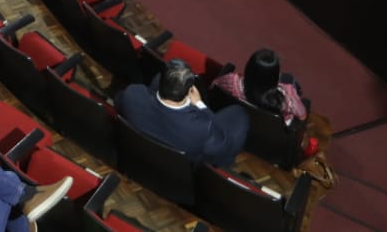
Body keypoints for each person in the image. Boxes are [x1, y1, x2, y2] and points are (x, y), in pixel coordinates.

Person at [116, 58, 249, 166]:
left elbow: (118, 103)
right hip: (180, 166)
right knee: (238, 114)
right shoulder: (202, 127)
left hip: (139, 154)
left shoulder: (132, 94)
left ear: (160, 80)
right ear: (189, 91)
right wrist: (200, 105)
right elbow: (222, 146)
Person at [211, 48, 308, 126]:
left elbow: (215, 85)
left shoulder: (231, 81)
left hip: (239, 124)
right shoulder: (286, 97)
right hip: (268, 135)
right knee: (289, 78)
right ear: (275, 77)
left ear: (249, 67)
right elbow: (302, 116)